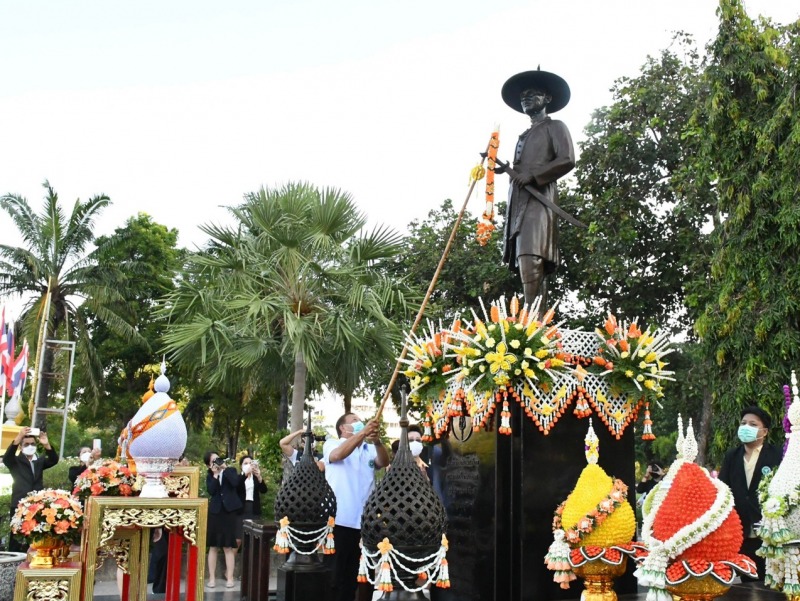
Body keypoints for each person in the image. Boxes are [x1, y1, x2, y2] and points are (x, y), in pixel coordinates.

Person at [498, 69, 576, 308]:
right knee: (525, 257)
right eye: (523, 95)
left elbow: (567, 159)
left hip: (540, 200)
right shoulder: (524, 135)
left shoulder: (555, 127)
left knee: (532, 255)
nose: (526, 98)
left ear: (547, 99)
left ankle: (533, 324)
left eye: (533, 94)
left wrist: (533, 175)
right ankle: (536, 323)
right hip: (519, 203)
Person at [324, 414, 389, 601]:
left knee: (357, 577)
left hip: (364, 523)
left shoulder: (369, 449)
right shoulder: (333, 443)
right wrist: (363, 434)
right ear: (343, 428)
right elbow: (337, 456)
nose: (359, 422)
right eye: (354, 420)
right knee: (334, 576)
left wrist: (376, 441)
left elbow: (384, 462)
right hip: (339, 521)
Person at [718, 406, 782, 576]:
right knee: (748, 583)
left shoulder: (777, 455)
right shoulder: (732, 455)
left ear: (765, 431)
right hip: (741, 533)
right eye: (743, 423)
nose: (746, 427)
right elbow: (722, 489)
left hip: (769, 533)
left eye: (753, 424)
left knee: (771, 584)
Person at [3, 427, 59, 552]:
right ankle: (14, 565)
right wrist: (18, 437)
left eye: (33, 444)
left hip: (37, 504)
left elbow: (54, 460)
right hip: (19, 504)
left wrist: (46, 444)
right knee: (17, 536)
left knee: (36, 535)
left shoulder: (38, 462)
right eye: (27, 444)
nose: (30, 446)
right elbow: (7, 457)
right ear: (21, 447)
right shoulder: (15, 461)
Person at [203, 451, 243, 589]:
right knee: (213, 546)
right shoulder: (210, 476)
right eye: (213, 461)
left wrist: (224, 468)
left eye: (218, 459)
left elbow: (236, 482)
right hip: (215, 513)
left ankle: (230, 578)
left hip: (228, 513)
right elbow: (211, 491)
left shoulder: (230, 470)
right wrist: (215, 474)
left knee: (228, 546)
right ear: (209, 465)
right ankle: (212, 578)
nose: (217, 462)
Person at [237, 455, 267, 544]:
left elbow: (264, 490)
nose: (249, 465)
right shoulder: (239, 477)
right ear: (241, 466)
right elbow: (236, 488)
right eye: (245, 463)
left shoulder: (255, 478)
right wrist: (245, 474)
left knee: (254, 537)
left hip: (253, 508)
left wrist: (259, 477)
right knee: (238, 539)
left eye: (250, 463)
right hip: (241, 509)